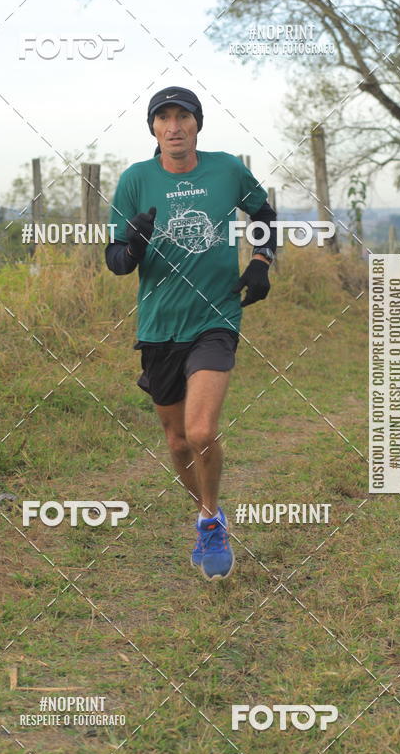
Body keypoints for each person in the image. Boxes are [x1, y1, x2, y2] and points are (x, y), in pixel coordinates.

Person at [105, 86, 277, 578]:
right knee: (178, 442)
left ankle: (209, 522)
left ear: (197, 124)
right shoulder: (135, 181)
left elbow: (262, 213)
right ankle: (209, 512)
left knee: (201, 430)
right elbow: (115, 260)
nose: (174, 127)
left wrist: (261, 260)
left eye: (183, 117)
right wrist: (134, 246)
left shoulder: (225, 169)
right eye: (164, 119)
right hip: (159, 325)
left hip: (216, 317)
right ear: (153, 129)